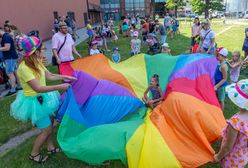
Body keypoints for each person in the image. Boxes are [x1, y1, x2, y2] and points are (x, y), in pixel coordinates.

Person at [10, 36, 76, 163]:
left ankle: (50, 147)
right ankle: (34, 154)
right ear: (35, 51)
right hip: (35, 102)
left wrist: (68, 77)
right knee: (46, 130)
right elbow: (38, 88)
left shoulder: (37, 61)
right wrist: (61, 86)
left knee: (50, 124)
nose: (44, 51)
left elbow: (50, 75)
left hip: (45, 98)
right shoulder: (24, 68)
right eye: (43, 49)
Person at [213, 79, 248, 168]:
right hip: (242, 158)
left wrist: (218, 157)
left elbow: (228, 147)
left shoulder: (236, 122)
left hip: (230, 160)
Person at [0, 27, 22, 96]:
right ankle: (19, 86)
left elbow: (7, 47)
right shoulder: (6, 36)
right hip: (12, 57)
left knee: (9, 73)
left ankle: (13, 89)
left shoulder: (5, 37)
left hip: (10, 58)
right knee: (15, 71)